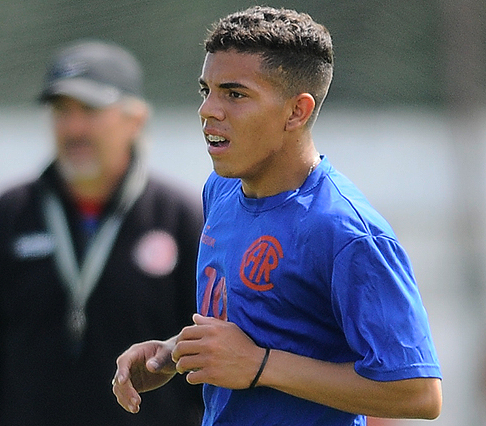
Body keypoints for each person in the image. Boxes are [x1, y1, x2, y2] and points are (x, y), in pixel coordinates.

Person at [112, 6, 442, 425]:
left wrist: (261, 366)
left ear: (296, 112)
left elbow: (418, 394)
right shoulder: (222, 191)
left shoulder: (345, 231)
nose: (208, 109)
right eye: (206, 90)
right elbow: (257, 327)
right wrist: (174, 351)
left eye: (234, 94)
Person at [0, 40, 204, 426]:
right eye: (62, 111)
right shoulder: (3, 218)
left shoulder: (181, 217)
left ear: (136, 120)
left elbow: (203, 359)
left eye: (90, 110)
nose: (73, 127)